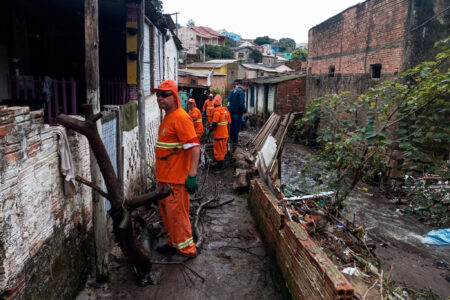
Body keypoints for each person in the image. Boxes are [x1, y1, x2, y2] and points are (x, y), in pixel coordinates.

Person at [151, 80, 200, 262]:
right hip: (165, 178)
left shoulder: (181, 117)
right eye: (158, 95)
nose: (159, 98)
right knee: (168, 215)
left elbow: (194, 147)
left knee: (178, 216)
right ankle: (173, 243)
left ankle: (187, 250)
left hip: (176, 181)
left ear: (174, 97)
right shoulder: (168, 117)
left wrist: (192, 175)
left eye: (164, 94)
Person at [206, 94, 230, 170]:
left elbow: (214, 125)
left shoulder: (217, 112)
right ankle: (221, 165)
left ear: (214, 104)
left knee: (218, 152)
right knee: (222, 151)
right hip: (225, 135)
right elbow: (229, 123)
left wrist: (209, 132)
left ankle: (219, 168)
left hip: (219, 136)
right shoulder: (226, 111)